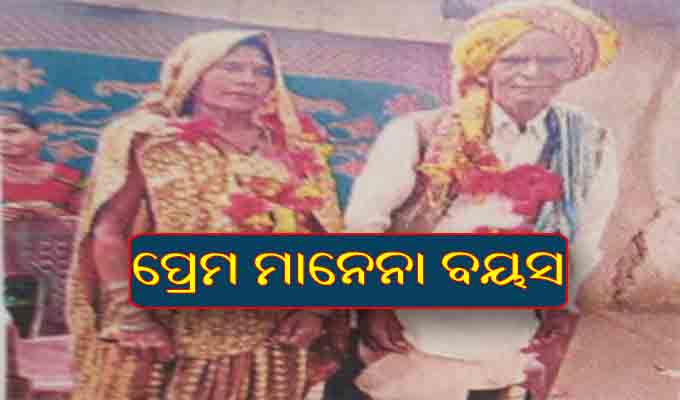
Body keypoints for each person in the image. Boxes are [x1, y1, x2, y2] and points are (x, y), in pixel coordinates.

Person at [343, 1, 620, 399]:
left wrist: (562, 299)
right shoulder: (420, 131)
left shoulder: (588, 143)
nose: (532, 73)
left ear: (572, 69)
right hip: (412, 317)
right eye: (514, 59)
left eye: (551, 61)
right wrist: (374, 305)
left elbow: (587, 234)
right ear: (486, 63)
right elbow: (364, 223)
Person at [66, 29, 349, 400]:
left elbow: (325, 232)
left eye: (261, 71)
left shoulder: (296, 146)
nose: (247, 80)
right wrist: (131, 315)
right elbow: (109, 231)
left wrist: (316, 309)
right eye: (231, 67)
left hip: (272, 334)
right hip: (172, 330)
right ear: (192, 73)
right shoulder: (148, 139)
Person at [1, 106, 82, 221]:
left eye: (12, 131)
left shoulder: (71, 178)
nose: (2, 139)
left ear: (42, 135)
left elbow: (95, 225)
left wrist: (55, 214)